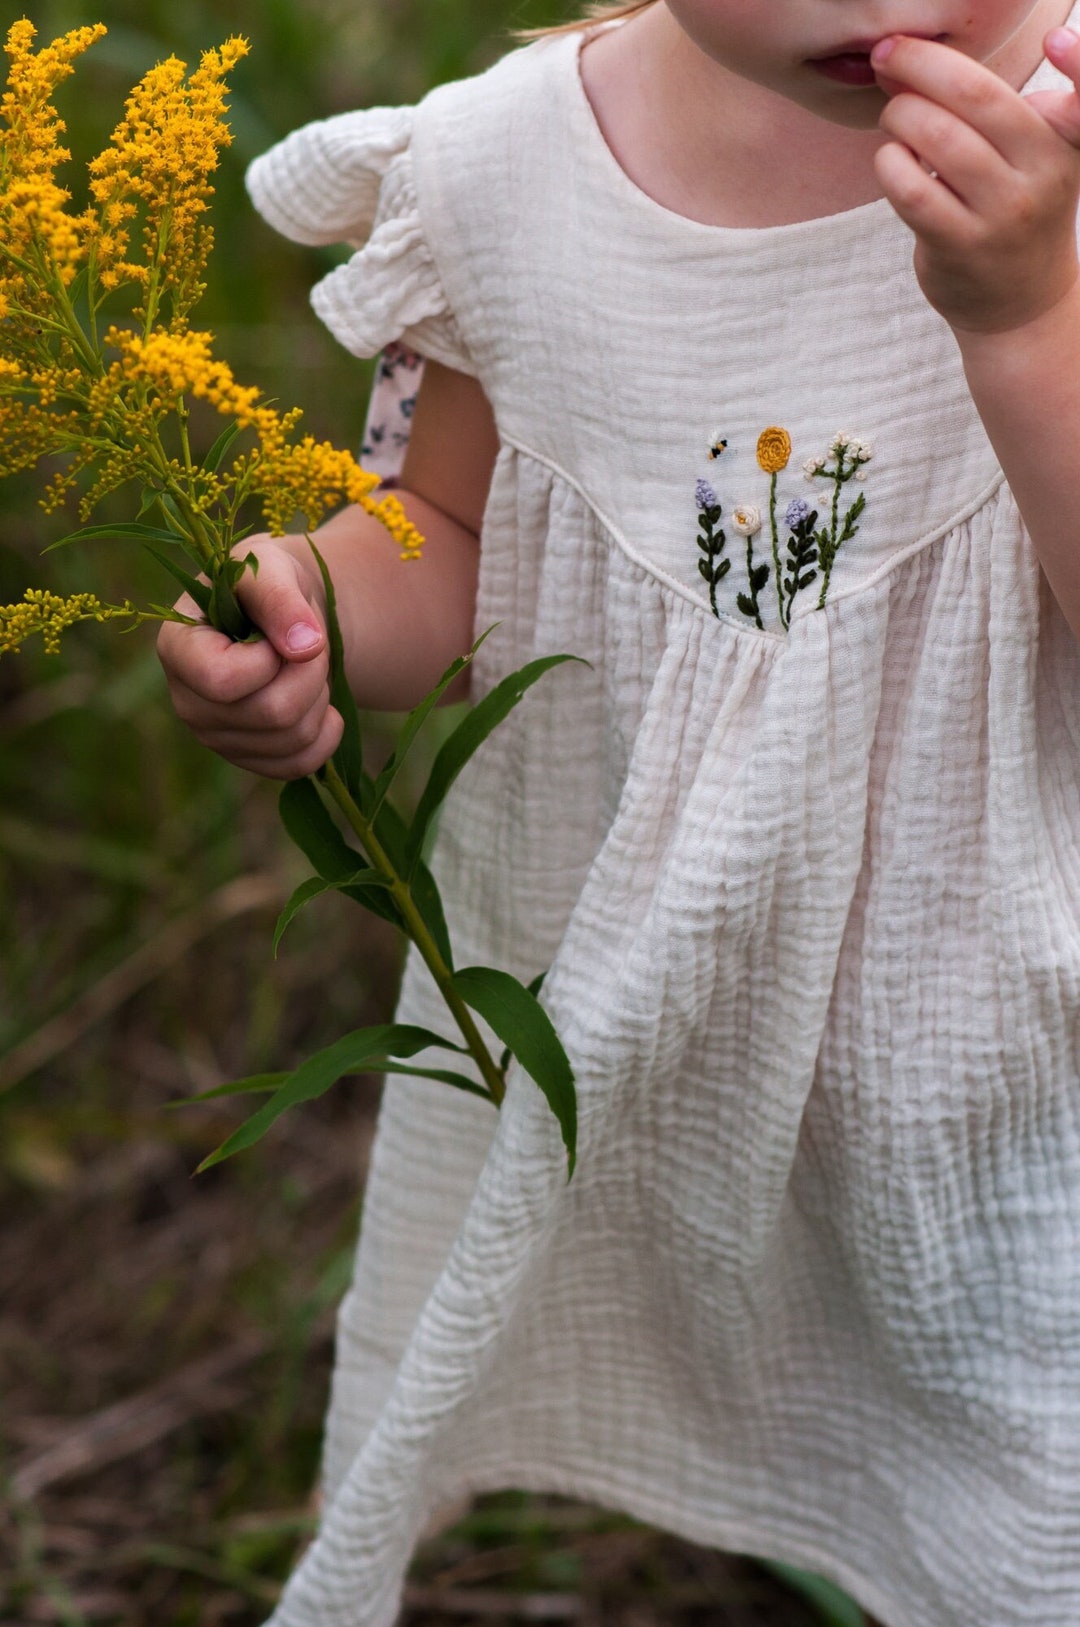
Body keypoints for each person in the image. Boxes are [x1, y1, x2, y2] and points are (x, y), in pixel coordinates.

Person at [156, 2, 1080, 1623]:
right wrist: (303, 605)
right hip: (673, 1057)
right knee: (851, 1436)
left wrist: (1028, 317)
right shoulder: (509, 171)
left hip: (1018, 1066)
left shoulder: (1059, 130)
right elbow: (444, 534)